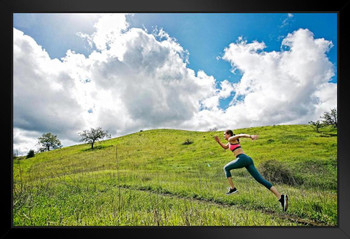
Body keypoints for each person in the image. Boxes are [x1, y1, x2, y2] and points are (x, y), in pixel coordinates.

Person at [214, 130, 288, 212]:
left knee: (226, 168)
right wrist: (218, 142)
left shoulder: (231, 138)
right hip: (248, 160)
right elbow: (225, 147)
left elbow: (240, 135)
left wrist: (250, 136)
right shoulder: (230, 142)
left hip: (242, 159)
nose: (224, 136)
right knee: (261, 180)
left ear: (229, 134)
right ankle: (281, 198)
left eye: (224, 134)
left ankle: (233, 188)